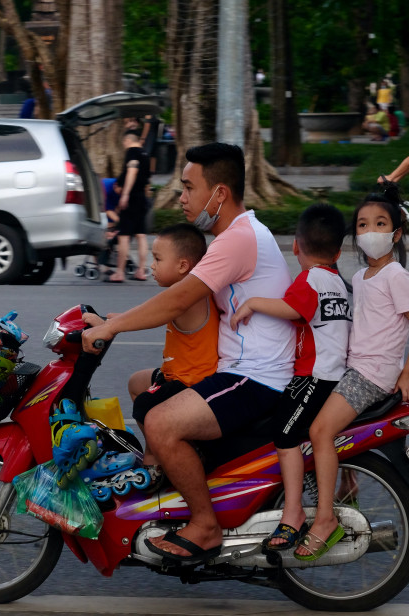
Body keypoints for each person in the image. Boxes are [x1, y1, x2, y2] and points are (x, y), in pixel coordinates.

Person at [82, 143, 295, 564]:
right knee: (144, 382)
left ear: (219, 193)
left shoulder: (238, 240)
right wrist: (116, 317)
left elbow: (179, 298)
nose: (181, 197)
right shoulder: (237, 236)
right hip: (240, 370)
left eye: (188, 187)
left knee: (160, 422)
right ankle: (177, 476)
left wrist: (113, 327)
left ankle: (205, 525)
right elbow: (179, 302)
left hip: (256, 378)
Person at [294, 183, 409, 561]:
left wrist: (406, 374)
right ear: (354, 236)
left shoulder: (396, 275)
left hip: (373, 373)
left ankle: (325, 519)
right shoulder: (359, 279)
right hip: (353, 368)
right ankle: (346, 485)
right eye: (362, 224)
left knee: (320, 430)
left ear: (395, 234)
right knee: (307, 424)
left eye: (379, 223)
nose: (370, 231)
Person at [230, 204, 351, 551]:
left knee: (284, 437)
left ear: (295, 246)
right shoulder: (338, 283)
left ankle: (293, 512)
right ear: (338, 252)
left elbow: (293, 308)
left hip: (313, 377)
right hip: (333, 376)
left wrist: (252, 302)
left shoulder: (309, 279)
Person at [128, 224, 219, 486]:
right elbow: (141, 314)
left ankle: (159, 463)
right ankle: (155, 450)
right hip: (178, 373)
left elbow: (150, 315)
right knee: (137, 382)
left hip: (192, 382)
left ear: (182, 266)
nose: (151, 266)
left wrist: (111, 326)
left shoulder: (185, 298)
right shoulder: (188, 291)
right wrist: (108, 321)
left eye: (157, 259)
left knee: (144, 404)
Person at [107, 130, 151, 283]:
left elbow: (132, 172)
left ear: (127, 140)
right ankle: (141, 270)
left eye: (124, 143)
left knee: (124, 236)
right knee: (141, 235)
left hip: (131, 199)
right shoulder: (145, 154)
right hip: (142, 199)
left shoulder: (132, 152)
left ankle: (119, 272)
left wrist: (125, 194)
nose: (124, 146)